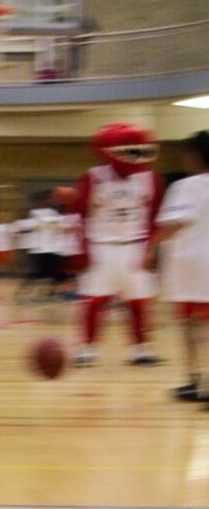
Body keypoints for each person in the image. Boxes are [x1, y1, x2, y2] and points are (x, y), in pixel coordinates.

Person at [73, 122, 163, 366]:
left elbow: (154, 216)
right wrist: (81, 250)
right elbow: (79, 215)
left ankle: (140, 349)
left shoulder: (149, 178)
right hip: (103, 246)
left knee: (138, 301)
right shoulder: (94, 177)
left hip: (135, 244)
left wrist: (151, 247)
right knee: (94, 300)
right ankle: (87, 349)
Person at [154, 131, 209, 401]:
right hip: (198, 266)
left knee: (190, 325)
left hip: (194, 266)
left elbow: (174, 223)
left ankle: (195, 380)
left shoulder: (187, 186)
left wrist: (152, 245)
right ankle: (199, 382)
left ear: (196, 156)